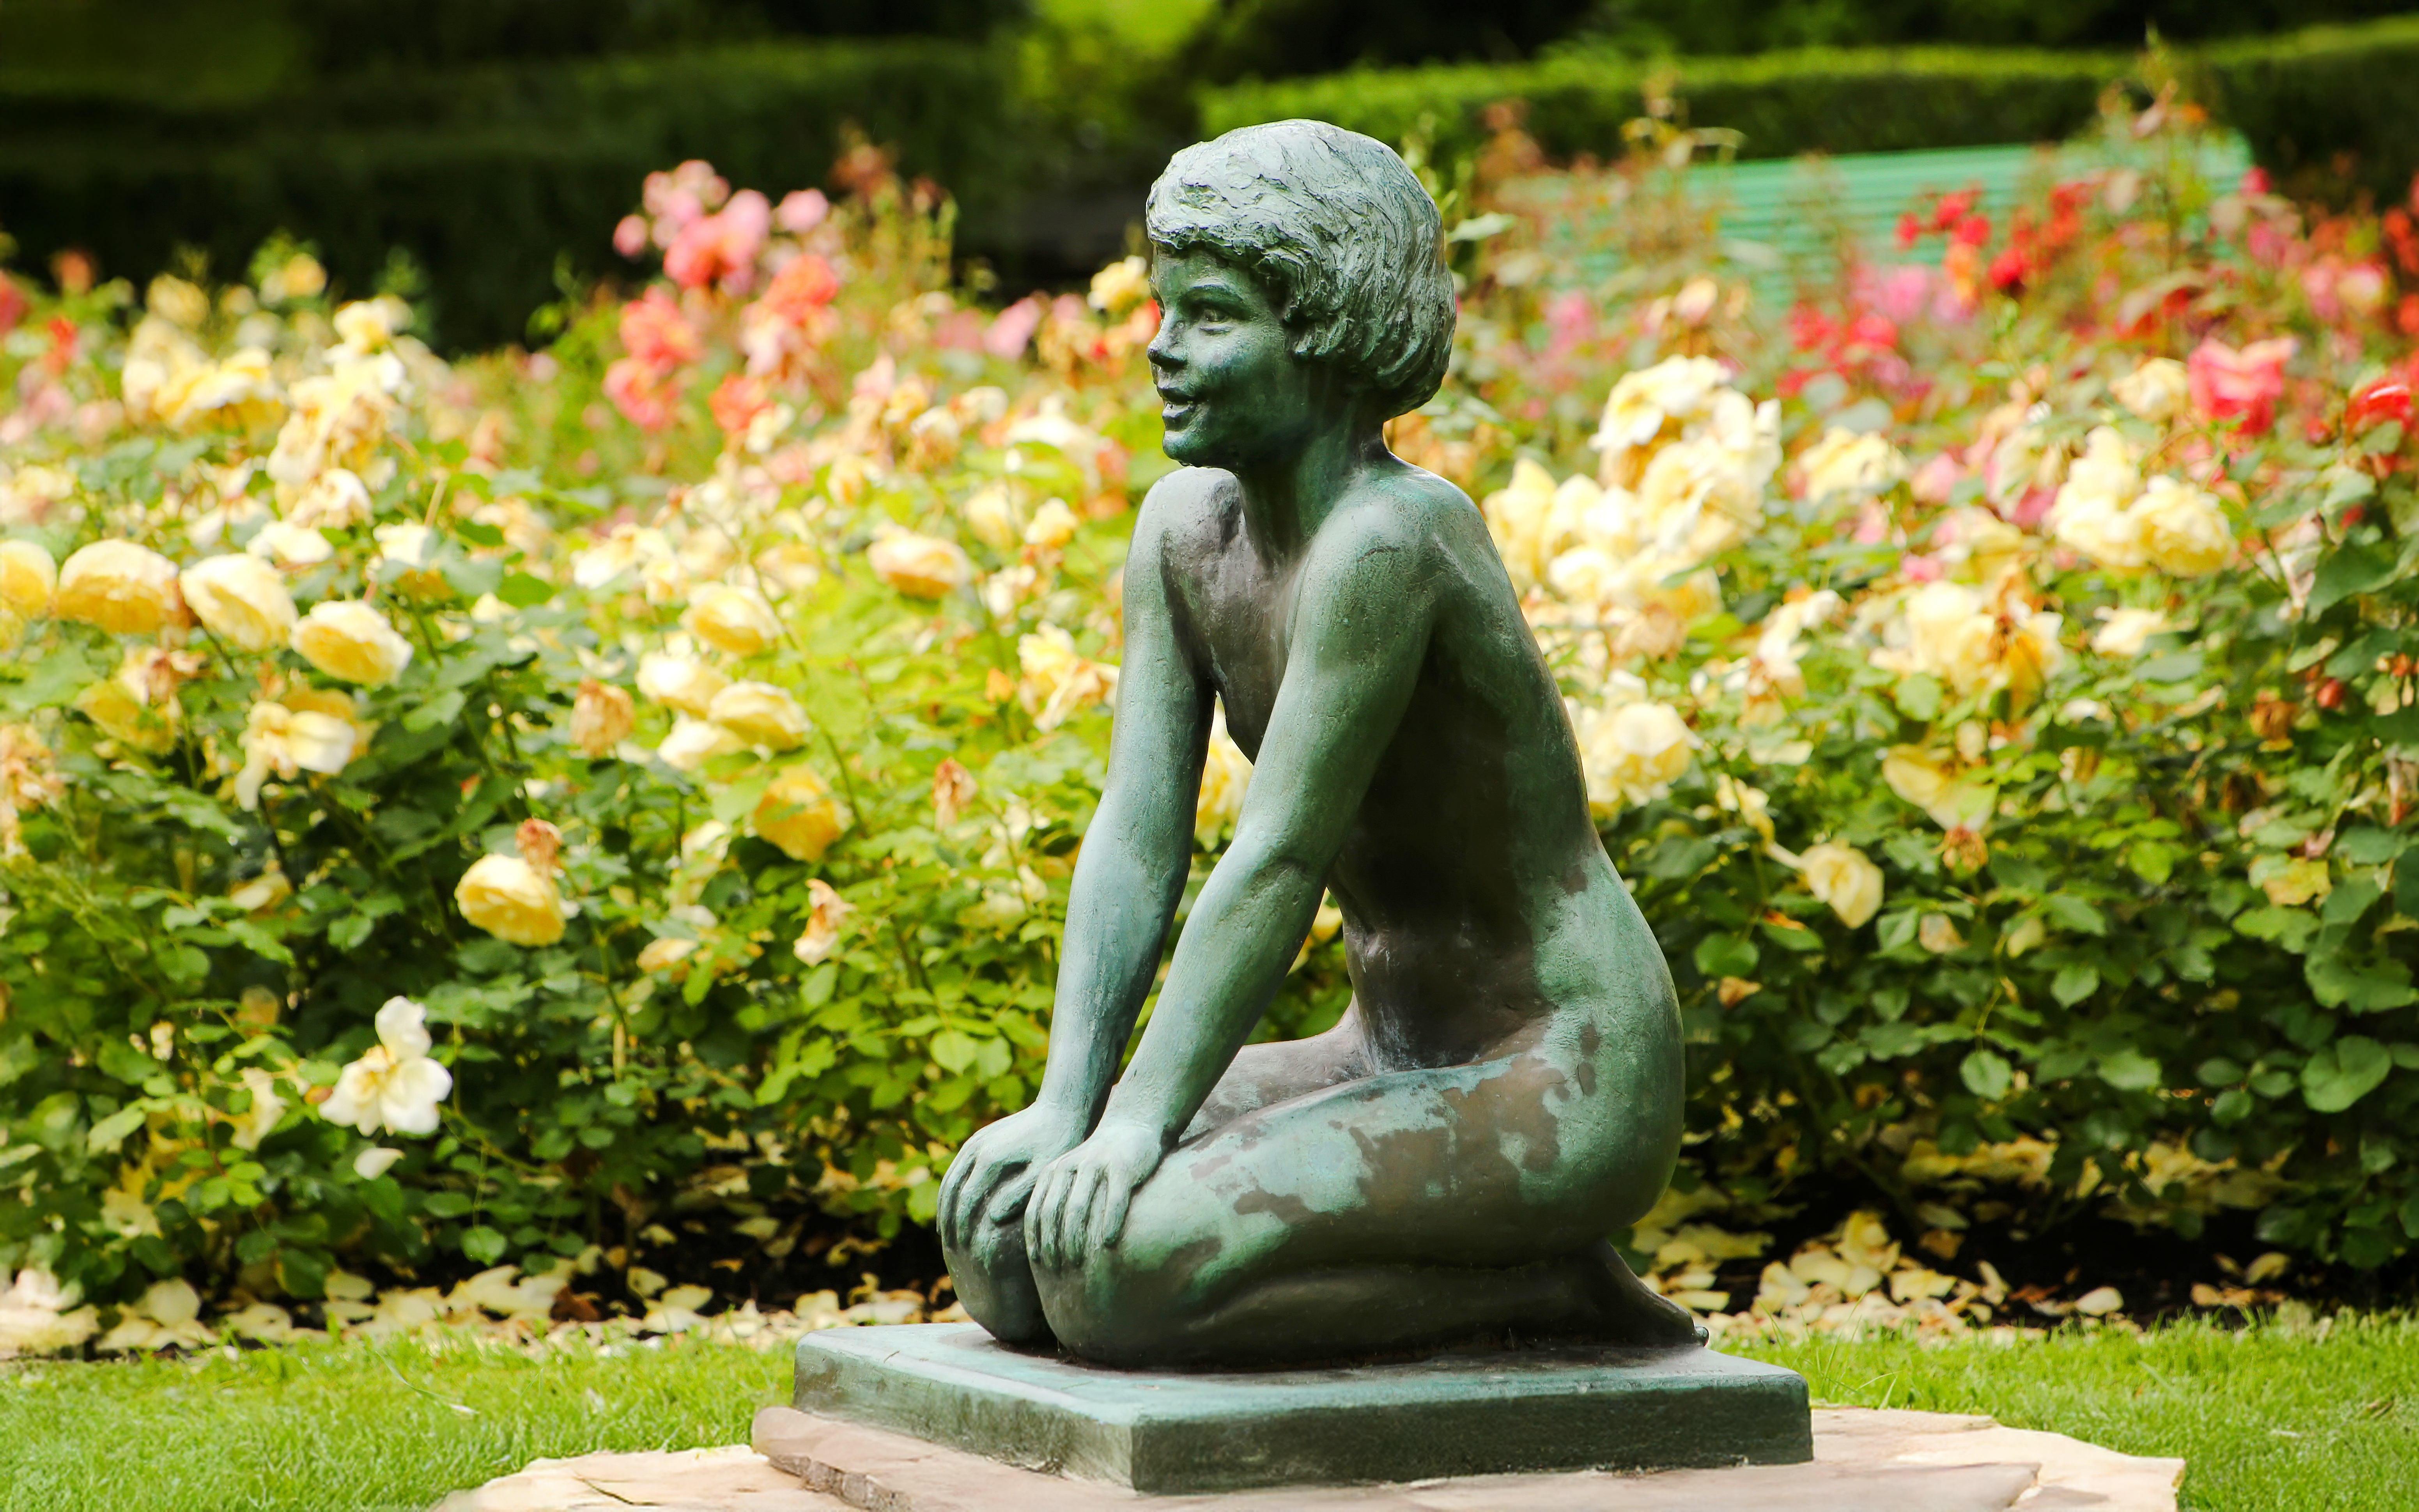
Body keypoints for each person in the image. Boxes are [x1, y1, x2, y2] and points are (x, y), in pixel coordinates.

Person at [936, 119, 1695, 1368]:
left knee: (1113, 1279)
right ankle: (1508, 1277)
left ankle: (1542, 1290)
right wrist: (1069, 1101)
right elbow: (1136, 829)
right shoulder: (1185, 533)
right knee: (1010, 1245)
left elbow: (1278, 858)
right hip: (1387, 1051)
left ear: (1329, 334)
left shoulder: (1389, 541)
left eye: (1211, 315)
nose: (1161, 351)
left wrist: (1139, 1125)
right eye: (1164, 308)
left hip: (1557, 1073)